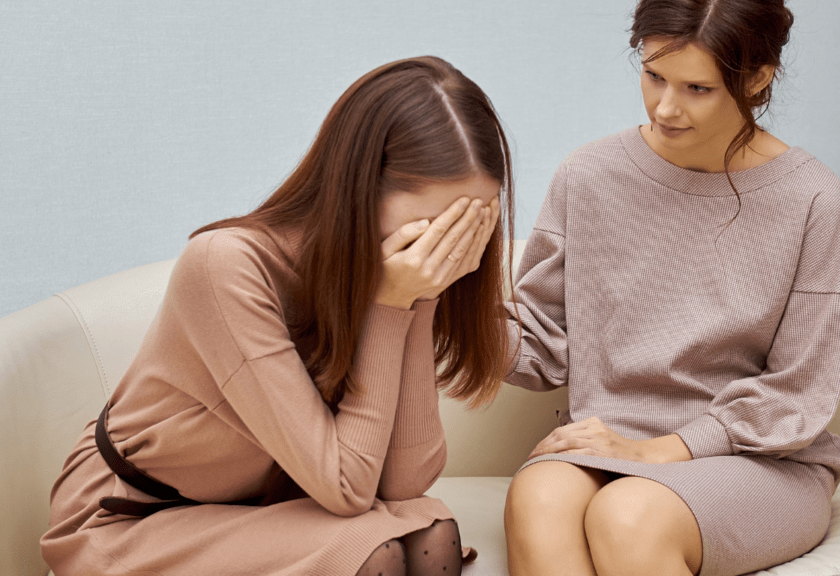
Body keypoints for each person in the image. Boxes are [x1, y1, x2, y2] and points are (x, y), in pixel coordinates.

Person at [41, 55, 511, 576]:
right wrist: (389, 306)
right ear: (359, 190)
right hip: (132, 519)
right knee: (371, 550)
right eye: (438, 223)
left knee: (430, 531)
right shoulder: (226, 266)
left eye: (474, 223)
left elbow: (404, 481)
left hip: (263, 509)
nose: (451, 244)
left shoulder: (389, 278)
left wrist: (422, 299)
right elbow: (348, 489)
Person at [502, 1, 840, 575]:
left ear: (759, 79)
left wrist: (656, 451)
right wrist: (439, 303)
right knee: (540, 497)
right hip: (608, 442)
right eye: (653, 76)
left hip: (757, 460)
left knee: (631, 514)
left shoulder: (813, 201)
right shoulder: (588, 174)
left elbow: (797, 390)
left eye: (698, 88)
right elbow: (544, 344)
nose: (666, 107)